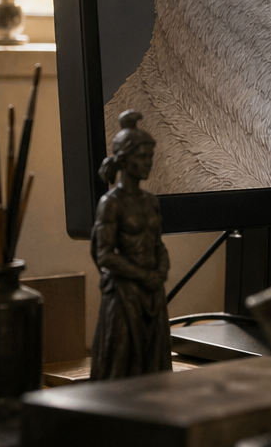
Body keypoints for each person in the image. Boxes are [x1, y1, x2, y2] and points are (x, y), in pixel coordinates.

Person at [89, 110, 171, 380]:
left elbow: (157, 244)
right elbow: (104, 255)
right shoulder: (111, 203)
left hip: (151, 291)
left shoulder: (151, 202)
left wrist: (160, 271)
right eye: (142, 157)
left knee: (154, 365)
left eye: (150, 157)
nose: (149, 163)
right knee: (124, 364)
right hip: (125, 295)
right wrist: (144, 276)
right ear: (123, 160)